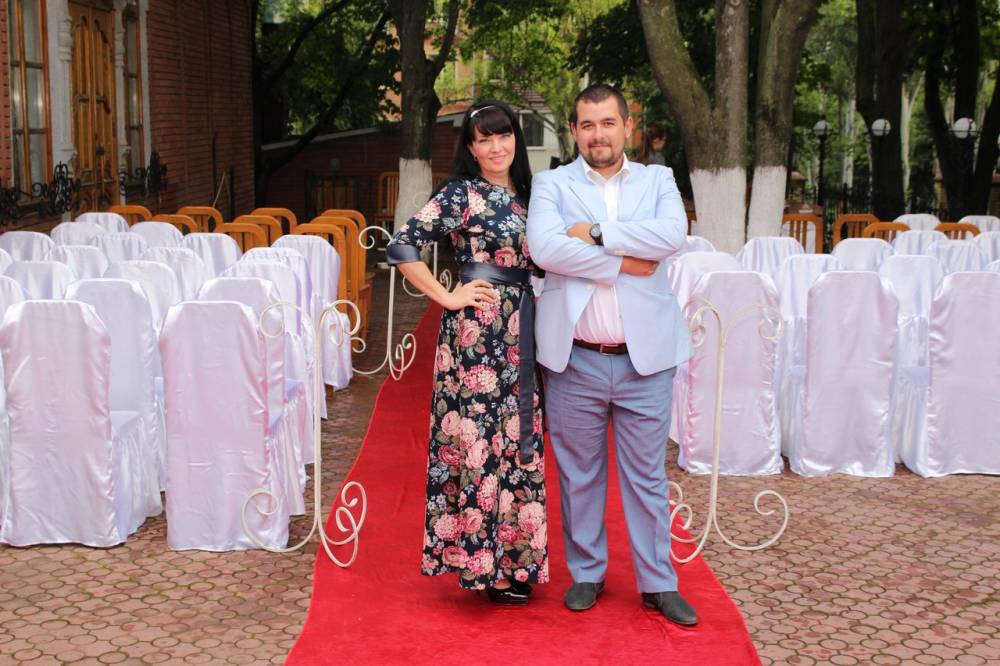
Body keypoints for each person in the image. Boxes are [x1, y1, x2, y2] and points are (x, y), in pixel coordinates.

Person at [526, 84, 697, 626]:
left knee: (646, 476)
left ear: (627, 126)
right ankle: (587, 573)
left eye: (607, 123)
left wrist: (597, 233)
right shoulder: (551, 183)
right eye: (587, 125)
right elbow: (545, 248)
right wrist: (624, 260)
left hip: (646, 359)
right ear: (574, 131)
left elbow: (671, 235)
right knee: (580, 475)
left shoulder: (658, 180)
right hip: (575, 358)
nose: (597, 134)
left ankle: (658, 582)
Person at [386, 101, 547, 605]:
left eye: (504, 135)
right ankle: (483, 565)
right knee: (480, 439)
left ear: (516, 139)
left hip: (522, 330)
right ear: (471, 148)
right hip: (476, 334)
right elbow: (402, 246)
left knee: (517, 438)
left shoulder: (532, 195)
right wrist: (447, 296)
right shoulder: (462, 194)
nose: (496, 147)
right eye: (484, 139)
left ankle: (515, 558)